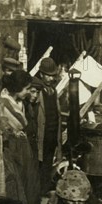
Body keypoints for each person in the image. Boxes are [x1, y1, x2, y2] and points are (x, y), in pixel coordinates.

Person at [0, 70, 40, 204]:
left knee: (27, 180)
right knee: (16, 184)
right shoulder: (4, 102)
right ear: (16, 88)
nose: (29, 92)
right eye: (27, 89)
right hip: (12, 147)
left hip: (22, 145)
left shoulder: (21, 102)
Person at [35, 57, 63, 196]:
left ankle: (44, 191)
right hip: (42, 135)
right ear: (41, 75)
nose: (51, 79)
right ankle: (38, 194)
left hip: (52, 136)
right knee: (39, 167)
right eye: (48, 75)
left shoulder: (53, 91)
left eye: (53, 76)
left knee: (47, 165)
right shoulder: (38, 91)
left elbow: (57, 115)